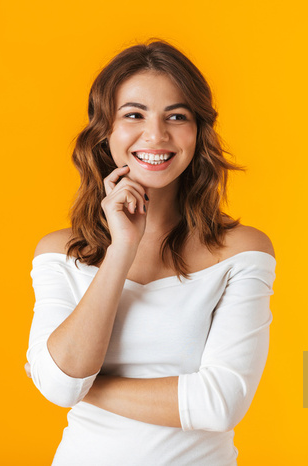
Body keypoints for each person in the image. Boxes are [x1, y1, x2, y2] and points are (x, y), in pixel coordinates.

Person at [24, 38, 276, 465]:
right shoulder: (58, 253)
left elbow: (220, 403)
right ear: (106, 131)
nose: (156, 134)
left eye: (176, 116)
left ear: (198, 132)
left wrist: (84, 386)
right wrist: (122, 247)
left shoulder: (242, 251)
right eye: (134, 115)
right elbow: (60, 386)